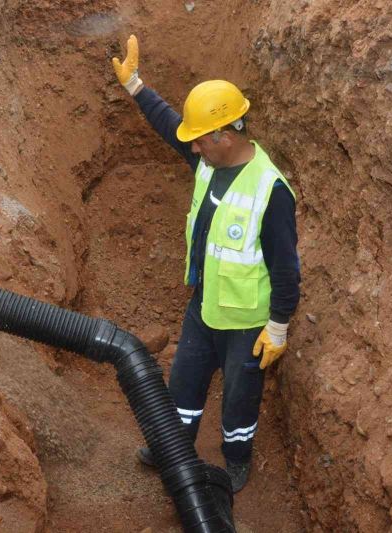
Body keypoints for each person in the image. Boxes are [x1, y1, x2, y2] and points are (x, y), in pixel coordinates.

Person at [112, 35, 301, 492]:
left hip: (246, 322)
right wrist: (136, 86)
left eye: (200, 141)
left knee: (239, 399)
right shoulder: (208, 163)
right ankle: (173, 448)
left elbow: (285, 267)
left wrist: (278, 325)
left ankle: (236, 459)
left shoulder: (269, 191)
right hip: (204, 307)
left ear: (224, 135)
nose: (192, 149)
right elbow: (170, 124)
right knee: (183, 387)